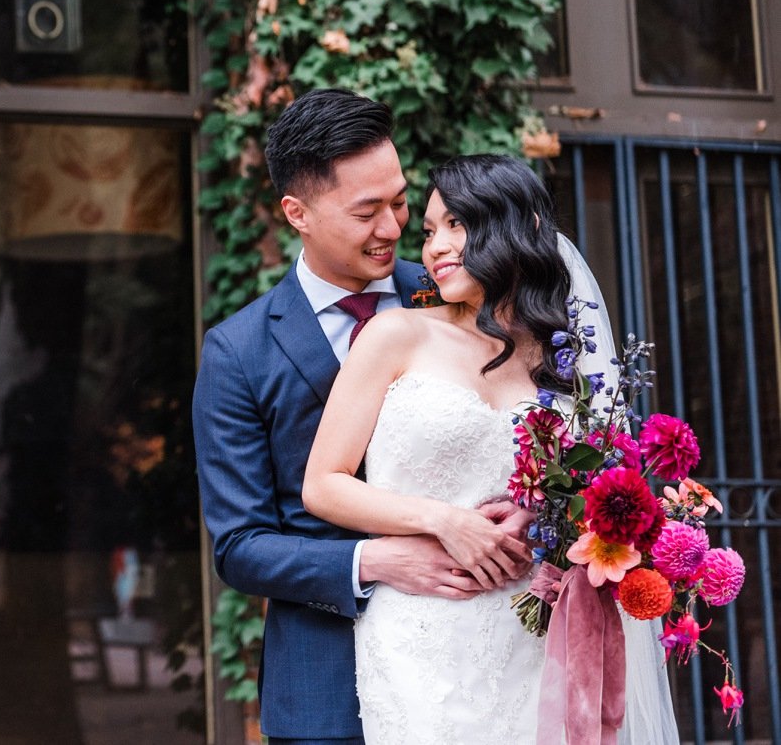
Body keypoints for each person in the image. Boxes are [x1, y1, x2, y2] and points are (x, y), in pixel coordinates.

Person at [302, 153, 679, 743]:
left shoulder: (560, 362)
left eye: (457, 224)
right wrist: (446, 522)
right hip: (423, 630)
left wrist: (540, 511)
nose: (435, 247)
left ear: (511, 230)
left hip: (533, 629)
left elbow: (592, 484)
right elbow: (323, 484)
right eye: (429, 231)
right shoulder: (396, 335)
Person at [191, 91, 529, 744]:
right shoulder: (239, 352)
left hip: (482, 662)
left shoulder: (457, 291)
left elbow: (524, 421)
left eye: (399, 200)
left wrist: (527, 506)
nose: (393, 226)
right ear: (298, 212)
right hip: (326, 689)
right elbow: (240, 547)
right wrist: (376, 560)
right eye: (366, 211)